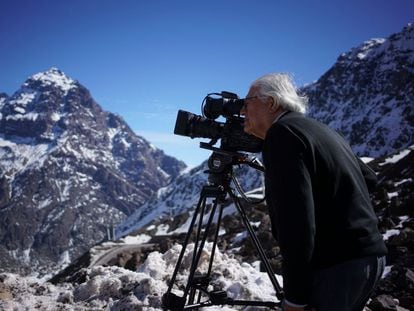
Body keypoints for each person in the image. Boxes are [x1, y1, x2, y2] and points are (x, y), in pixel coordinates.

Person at [240, 73, 387, 311]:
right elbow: (369, 178)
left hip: (337, 267)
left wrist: (295, 298)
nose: (242, 111)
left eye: (247, 103)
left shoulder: (282, 134)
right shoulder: (320, 129)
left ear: (272, 103)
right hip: (370, 258)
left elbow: (296, 222)